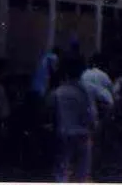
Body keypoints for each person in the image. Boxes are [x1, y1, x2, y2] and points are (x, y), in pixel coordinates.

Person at [45, 55, 98, 183]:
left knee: (62, 169)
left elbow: (50, 112)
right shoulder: (89, 89)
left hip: (64, 134)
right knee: (82, 171)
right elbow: (94, 111)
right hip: (83, 133)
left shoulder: (58, 92)